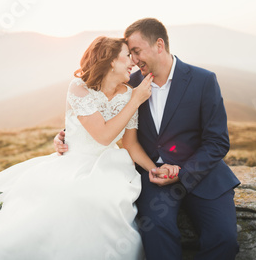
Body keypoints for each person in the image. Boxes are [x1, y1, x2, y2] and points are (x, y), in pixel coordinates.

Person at [0, 36, 180, 260]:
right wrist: (135, 101)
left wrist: (153, 169)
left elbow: (131, 144)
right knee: (60, 199)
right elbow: (102, 135)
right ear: (111, 60)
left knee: (102, 200)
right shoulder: (79, 88)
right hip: (73, 161)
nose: (133, 63)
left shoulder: (128, 93)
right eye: (127, 57)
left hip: (111, 166)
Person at [55, 18, 241, 260]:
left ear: (159, 45)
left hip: (203, 175)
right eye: (129, 54)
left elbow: (218, 141)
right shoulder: (127, 84)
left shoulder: (203, 80)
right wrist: (65, 134)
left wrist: (182, 173)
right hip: (153, 178)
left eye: (136, 51)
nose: (133, 60)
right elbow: (97, 113)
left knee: (224, 239)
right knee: (157, 233)